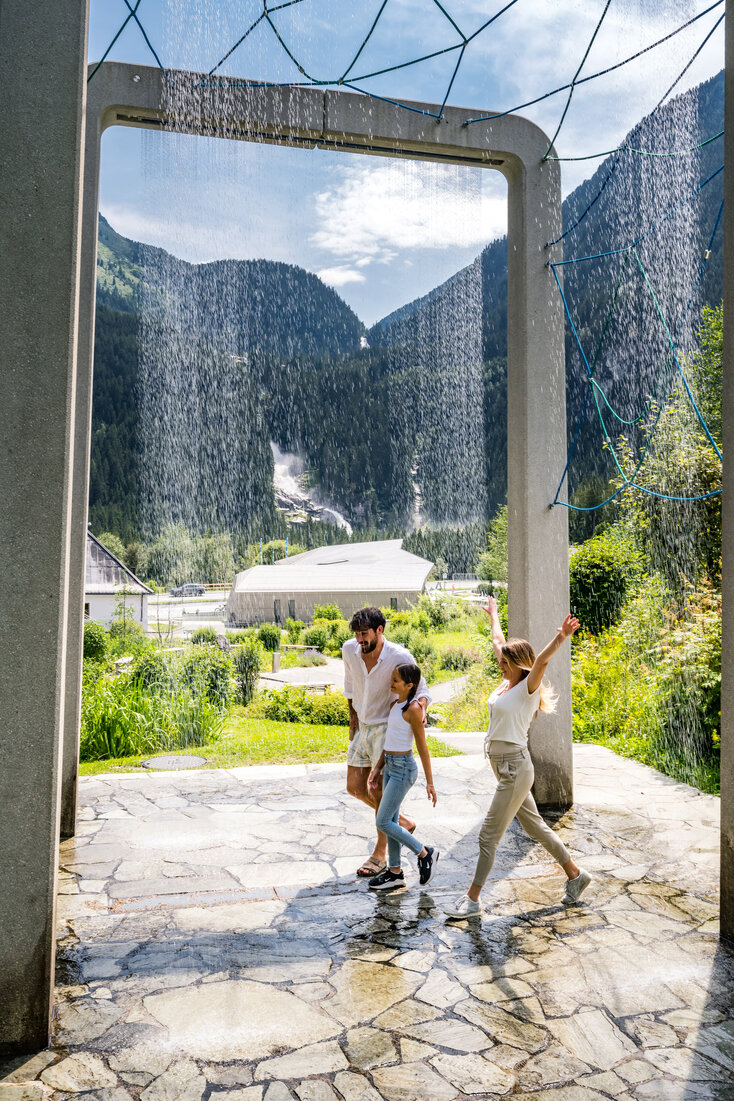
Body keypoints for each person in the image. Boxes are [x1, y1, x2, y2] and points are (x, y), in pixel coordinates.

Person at [445, 596, 591, 920]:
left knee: (488, 835)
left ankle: (471, 900)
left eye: (507, 661)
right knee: (537, 827)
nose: (501, 663)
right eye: (502, 660)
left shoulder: (528, 687)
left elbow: (541, 662)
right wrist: (494, 615)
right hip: (507, 768)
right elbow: (499, 641)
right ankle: (576, 876)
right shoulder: (506, 682)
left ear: (520, 664)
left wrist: (561, 637)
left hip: (514, 768)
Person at [343, 606, 431, 878]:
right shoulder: (350, 650)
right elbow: (349, 684)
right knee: (355, 786)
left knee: (378, 791)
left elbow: (422, 688)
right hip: (363, 726)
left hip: (386, 727)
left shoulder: (399, 656)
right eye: (357, 634)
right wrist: (352, 717)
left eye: (365, 633)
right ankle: (400, 822)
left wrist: (420, 710)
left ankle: (381, 854)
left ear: (380, 630)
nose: (360, 639)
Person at [366, 664, 438, 890]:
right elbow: (390, 742)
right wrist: (378, 768)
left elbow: (422, 747)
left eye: (396, 680)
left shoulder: (414, 709)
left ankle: (425, 853)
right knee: (392, 821)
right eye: (392, 678)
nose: (392, 682)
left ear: (409, 686)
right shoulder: (394, 705)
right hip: (390, 766)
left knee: (383, 821)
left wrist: (430, 782)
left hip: (404, 769)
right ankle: (395, 873)